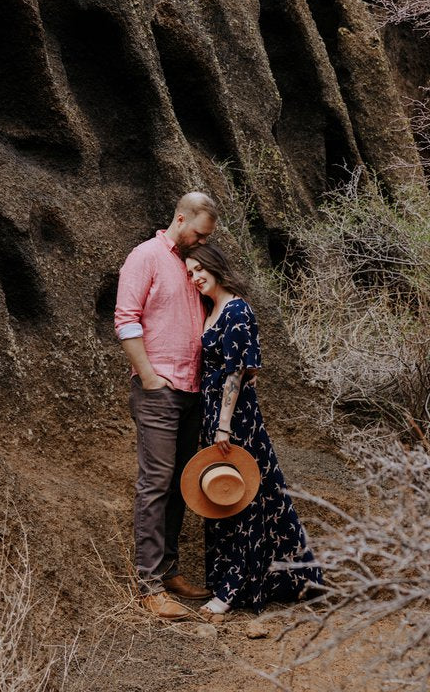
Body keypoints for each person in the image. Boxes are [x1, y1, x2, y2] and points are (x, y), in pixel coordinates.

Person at [183, 241, 322, 618]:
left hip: (235, 418)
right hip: (214, 413)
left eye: (200, 269)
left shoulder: (237, 310)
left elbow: (236, 373)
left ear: (215, 266)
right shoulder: (211, 309)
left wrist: (224, 425)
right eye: (190, 272)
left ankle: (232, 588)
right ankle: (293, 578)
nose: (195, 277)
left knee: (241, 498)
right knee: (251, 494)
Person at [114, 191, 219, 620]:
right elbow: (126, 319)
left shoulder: (191, 264)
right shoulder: (146, 256)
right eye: (199, 233)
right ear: (180, 219)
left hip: (192, 391)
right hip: (159, 390)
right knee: (155, 483)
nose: (203, 241)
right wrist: (149, 377)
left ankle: (170, 571)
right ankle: (149, 586)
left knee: (179, 482)